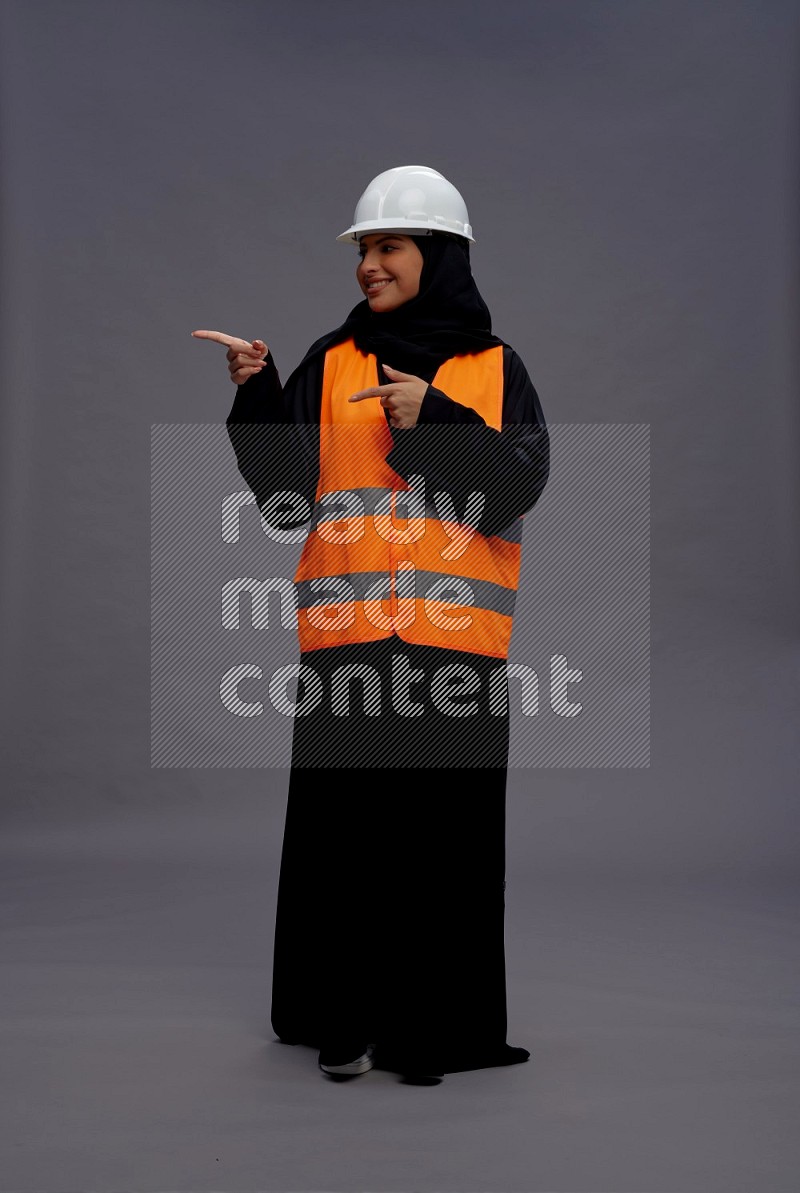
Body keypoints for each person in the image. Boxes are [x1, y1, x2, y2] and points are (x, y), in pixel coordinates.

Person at [193, 165, 550, 1084]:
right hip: (347, 646)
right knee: (343, 848)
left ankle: (433, 1030)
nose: (369, 266)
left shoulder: (495, 368)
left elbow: (513, 490)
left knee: (444, 853)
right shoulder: (332, 359)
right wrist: (257, 392)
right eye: (364, 249)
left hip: (454, 653)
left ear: (438, 255)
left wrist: (434, 421)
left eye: (388, 246)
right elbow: (282, 501)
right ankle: (341, 1021)